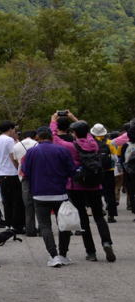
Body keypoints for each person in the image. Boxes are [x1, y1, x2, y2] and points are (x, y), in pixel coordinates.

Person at [50, 112, 115, 262]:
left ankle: (91, 252)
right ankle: (106, 242)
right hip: (95, 185)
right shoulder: (94, 144)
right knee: (99, 217)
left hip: (76, 185)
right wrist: (74, 118)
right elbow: (87, 132)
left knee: (84, 219)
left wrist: (53, 121)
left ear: (73, 133)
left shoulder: (71, 146)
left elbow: (54, 138)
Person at [21, 126, 76, 266]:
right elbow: (72, 170)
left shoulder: (31, 152)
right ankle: (63, 254)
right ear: (52, 137)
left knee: (45, 225)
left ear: (37, 138)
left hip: (39, 194)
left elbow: (25, 172)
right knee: (63, 224)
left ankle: (54, 255)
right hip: (60, 193)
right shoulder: (62, 150)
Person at [0, 120, 24, 233]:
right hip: (10, 173)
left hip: (1, 173)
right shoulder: (9, 140)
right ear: (10, 129)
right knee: (16, 200)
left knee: (7, 200)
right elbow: (13, 157)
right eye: (14, 130)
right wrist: (19, 168)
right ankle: (16, 225)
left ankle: (9, 223)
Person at [13, 129, 39, 236]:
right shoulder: (37, 144)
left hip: (23, 176)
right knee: (39, 202)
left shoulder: (17, 146)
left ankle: (30, 229)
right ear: (35, 136)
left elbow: (15, 160)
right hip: (37, 176)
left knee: (27, 204)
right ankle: (42, 228)